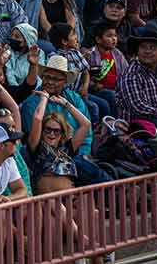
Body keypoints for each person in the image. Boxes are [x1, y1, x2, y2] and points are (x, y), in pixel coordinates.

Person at [20, 55, 110, 186]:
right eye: (47, 77)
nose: (50, 82)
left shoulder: (74, 99)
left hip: (72, 153)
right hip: (46, 159)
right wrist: (44, 98)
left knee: (92, 168)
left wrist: (84, 153)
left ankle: (125, 194)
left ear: (65, 82)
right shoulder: (32, 103)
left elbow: (86, 128)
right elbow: (35, 131)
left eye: (56, 79)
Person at [27, 91, 89, 194]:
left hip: (70, 197)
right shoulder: (37, 147)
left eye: (56, 131)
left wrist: (65, 104)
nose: (52, 134)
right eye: (48, 129)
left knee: (92, 207)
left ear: (62, 133)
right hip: (48, 202)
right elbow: (37, 119)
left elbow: (86, 124)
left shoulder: (67, 148)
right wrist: (44, 98)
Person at [116, 24, 157, 124]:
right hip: (139, 126)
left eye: (152, 48)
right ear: (137, 51)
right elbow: (138, 107)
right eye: (143, 47)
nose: (147, 51)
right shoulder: (131, 74)